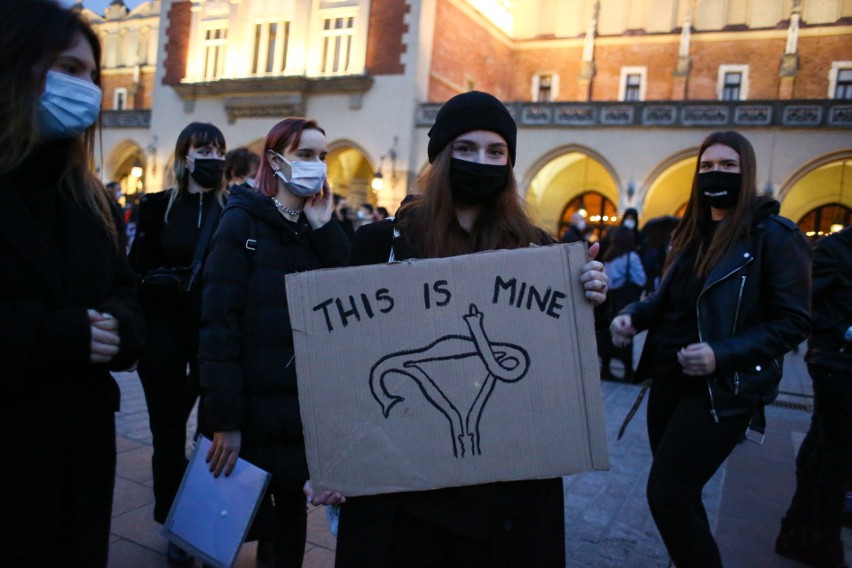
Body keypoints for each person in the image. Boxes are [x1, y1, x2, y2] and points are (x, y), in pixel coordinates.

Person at [330, 90, 609, 567]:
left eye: (495, 152)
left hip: (503, 497)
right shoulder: (381, 244)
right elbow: (346, 363)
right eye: (466, 149)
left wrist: (589, 297)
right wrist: (338, 455)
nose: (482, 161)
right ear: (440, 158)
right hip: (406, 495)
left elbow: (562, 366)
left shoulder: (539, 252)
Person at [610, 130, 812, 568]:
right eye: (707, 167)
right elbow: (668, 299)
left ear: (747, 172)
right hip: (668, 378)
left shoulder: (775, 236)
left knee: (666, 495)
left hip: (722, 390)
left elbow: (794, 321)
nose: (714, 174)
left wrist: (722, 352)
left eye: (726, 166)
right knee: (681, 497)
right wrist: (634, 317)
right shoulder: (692, 230)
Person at [0, 1, 146, 565]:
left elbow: (124, 288)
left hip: (80, 449)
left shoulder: (90, 199)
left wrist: (121, 326)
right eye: (68, 69)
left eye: (92, 75)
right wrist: (54, 334)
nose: (86, 88)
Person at [200, 118, 350, 568]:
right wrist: (225, 419)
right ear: (275, 160)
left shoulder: (314, 229)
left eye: (323, 157)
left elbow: (349, 300)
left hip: (298, 409)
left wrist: (325, 228)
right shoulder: (241, 223)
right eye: (305, 155)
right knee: (228, 519)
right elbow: (217, 326)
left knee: (289, 518)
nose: (317, 166)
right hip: (249, 405)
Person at [129, 121, 227, 567]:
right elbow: (134, 269)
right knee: (166, 434)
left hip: (211, 334)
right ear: (185, 155)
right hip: (164, 332)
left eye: (217, 151)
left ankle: (202, 522)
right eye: (202, 150)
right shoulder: (157, 208)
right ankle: (172, 521)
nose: (211, 158)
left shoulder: (232, 210)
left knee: (213, 435)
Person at [776, 226, 852, 568]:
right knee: (836, 454)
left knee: (823, 446)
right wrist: (843, 331)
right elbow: (803, 305)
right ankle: (823, 542)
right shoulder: (834, 250)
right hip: (834, 364)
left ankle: (796, 530)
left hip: (840, 363)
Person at [598, 225, 646, 382]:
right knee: (625, 331)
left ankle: (605, 368)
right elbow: (641, 279)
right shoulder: (631, 256)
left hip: (610, 299)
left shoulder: (609, 255)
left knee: (607, 334)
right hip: (625, 301)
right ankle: (627, 371)